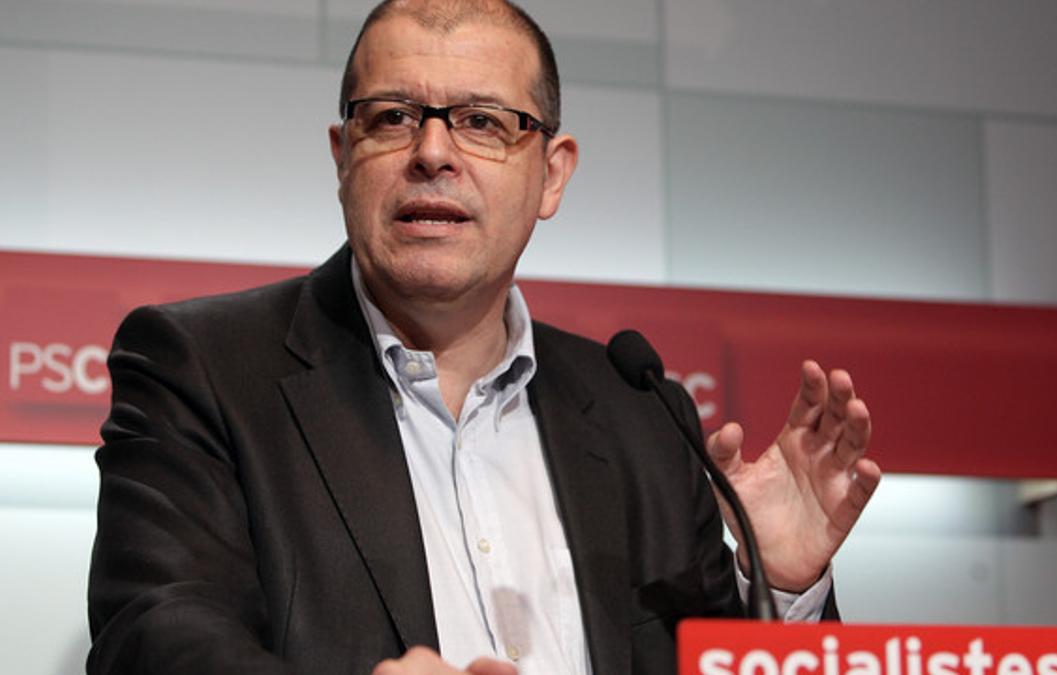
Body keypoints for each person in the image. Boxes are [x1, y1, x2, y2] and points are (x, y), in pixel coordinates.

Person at [86, 1, 882, 674]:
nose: (433, 153)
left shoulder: (641, 413)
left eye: (481, 122)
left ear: (553, 173)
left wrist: (777, 588)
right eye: (392, 117)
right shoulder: (204, 367)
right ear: (343, 156)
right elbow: (154, 636)